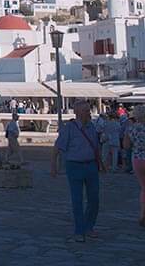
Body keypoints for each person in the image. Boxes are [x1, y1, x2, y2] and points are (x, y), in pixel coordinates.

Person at [51, 101, 104, 243]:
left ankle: (89, 226)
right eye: (86, 110)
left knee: (94, 199)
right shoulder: (69, 128)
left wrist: (102, 164)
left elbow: (96, 146)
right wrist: (53, 166)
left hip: (91, 165)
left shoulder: (92, 127)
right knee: (77, 199)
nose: (89, 113)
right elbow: (57, 148)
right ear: (78, 112)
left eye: (89, 110)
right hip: (74, 166)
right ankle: (79, 230)